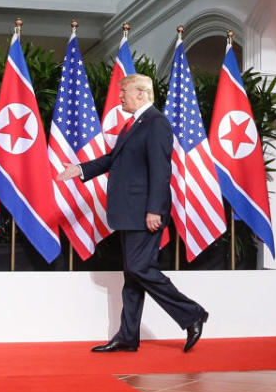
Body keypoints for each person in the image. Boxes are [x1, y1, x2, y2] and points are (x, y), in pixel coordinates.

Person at [56, 73, 208, 353]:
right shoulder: (134, 125)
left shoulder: (156, 123)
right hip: (129, 212)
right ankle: (127, 336)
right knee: (133, 275)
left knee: (139, 269)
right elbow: (114, 160)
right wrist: (80, 169)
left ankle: (192, 313)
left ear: (140, 93)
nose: (120, 97)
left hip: (144, 212)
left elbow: (162, 171)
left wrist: (154, 210)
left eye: (123, 92)